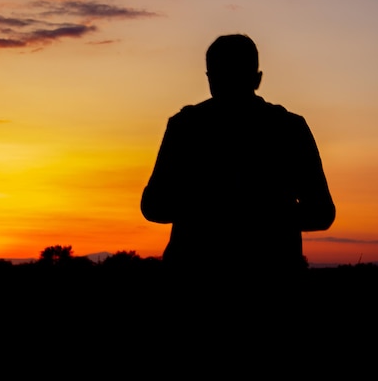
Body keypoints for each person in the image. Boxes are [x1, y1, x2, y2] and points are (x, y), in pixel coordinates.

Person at [141, 34, 335, 275]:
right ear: (257, 78)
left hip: (195, 271)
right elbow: (321, 213)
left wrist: (211, 211)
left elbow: (154, 206)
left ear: (209, 78)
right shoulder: (288, 128)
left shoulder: (186, 126)